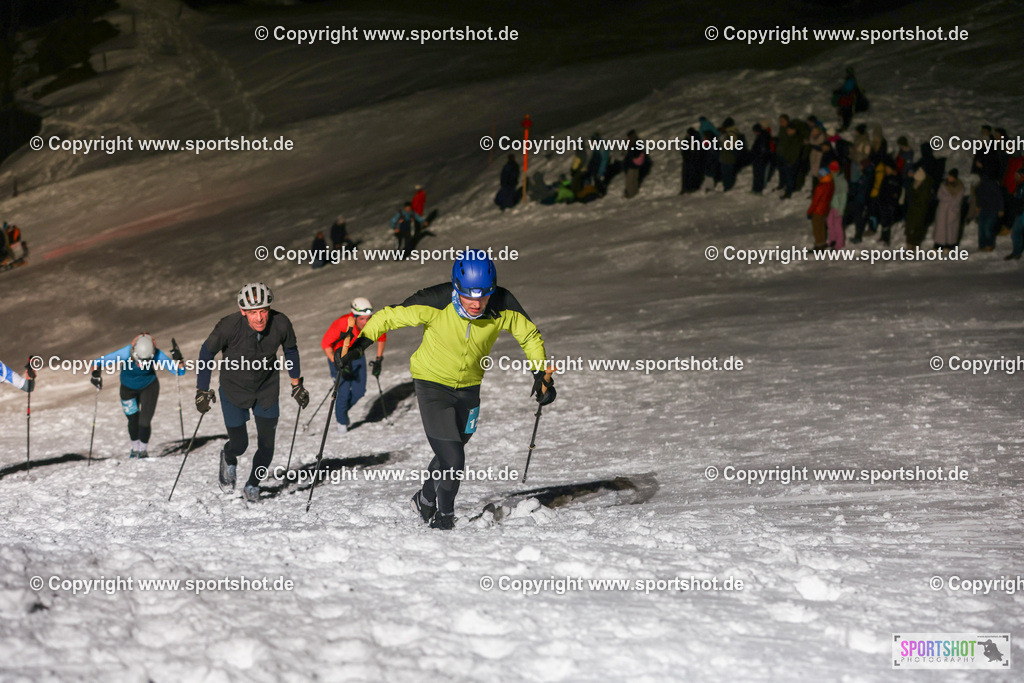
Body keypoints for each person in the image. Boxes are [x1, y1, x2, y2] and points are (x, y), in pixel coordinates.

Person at [334, 250, 555, 530]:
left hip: (469, 389)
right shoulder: (435, 301)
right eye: (468, 295)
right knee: (453, 458)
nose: (476, 304)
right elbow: (389, 316)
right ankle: (444, 517)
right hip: (431, 384)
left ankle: (424, 498)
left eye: (483, 296)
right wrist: (359, 344)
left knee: (450, 451)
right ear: (456, 288)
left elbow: (529, 335)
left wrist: (540, 373)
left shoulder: (502, 303)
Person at [195, 283, 308, 502]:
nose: (259, 318)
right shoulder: (228, 326)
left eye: (263, 311)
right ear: (243, 311)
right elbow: (206, 352)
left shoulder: (281, 323)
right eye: (253, 312)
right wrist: (202, 390)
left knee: (267, 445)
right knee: (240, 444)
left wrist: (296, 385)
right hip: (233, 389)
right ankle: (228, 456)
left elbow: (291, 351)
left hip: (266, 389)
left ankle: (252, 485)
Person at [90, 334, 185, 459]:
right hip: (127, 389)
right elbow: (97, 363)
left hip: (149, 387)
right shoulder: (125, 352)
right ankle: (135, 449)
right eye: (139, 360)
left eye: (146, 361)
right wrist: (95, 375)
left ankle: (143, 451)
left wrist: (179, 360)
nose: (141, 365)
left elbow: (179, 371)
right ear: (134, 353)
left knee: (144, 421)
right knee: (133, 420)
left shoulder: (156, 354)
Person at [320, 297, 387, 432]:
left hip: (357, 358)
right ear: (354, 316)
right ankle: (342, 424)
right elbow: (325, 344)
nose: (365, 322)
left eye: (368, 318)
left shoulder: (372, 323)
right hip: (338, 358)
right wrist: (335, 361)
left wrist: (379, 360)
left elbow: (381, 338)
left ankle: (341, 412)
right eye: (361, 318)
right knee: (343, 393)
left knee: (359, 392)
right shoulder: (342, 323)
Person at [903, 167, 934, 248]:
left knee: (917, 228)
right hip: (913, 210)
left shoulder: (925, 187)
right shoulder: (915, 185)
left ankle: (915, 244)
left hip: (920, 211)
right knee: (911, 227)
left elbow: (923, 200)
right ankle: (910, 244)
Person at [933, 169, 964, 249]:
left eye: (951, 176)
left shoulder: (960, 187)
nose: (949, 178)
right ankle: (939, 245)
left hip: (952, 210)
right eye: (949, 176)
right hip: (942, 210)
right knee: (941, 228)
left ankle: (950, 245)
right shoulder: (943, 185)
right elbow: (940, 195)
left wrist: (949, 200)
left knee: (951, 229)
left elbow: (957, 200)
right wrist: (950, 198)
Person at [975, 174, 1004, 251]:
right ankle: (982, 244)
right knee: (981, 227)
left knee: (988, 227)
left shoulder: (993, 184)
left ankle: (989, 244)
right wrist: (978, 206)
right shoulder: (980, 185)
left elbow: (999, 197)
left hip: (993, 209)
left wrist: (1001, 209)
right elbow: (979, 196)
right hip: (984, 208)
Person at [807, 167, 834, 250]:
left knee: (817, 228)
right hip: (825, 209)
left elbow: (815, 201)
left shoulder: (820, 187)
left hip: (818, 210)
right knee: (822, 227)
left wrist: (809, 211)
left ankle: (819, 245)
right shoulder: (831, 184)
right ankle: (822, 243)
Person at [826, 161, 848, 249]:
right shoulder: (832, 179)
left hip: (837, 207)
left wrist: (841, 209)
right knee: (830, 223)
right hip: (832, 206)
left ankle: (840, 243)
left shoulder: (841, 181)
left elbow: (843, 197)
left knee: (837, 225)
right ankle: (832, 240)